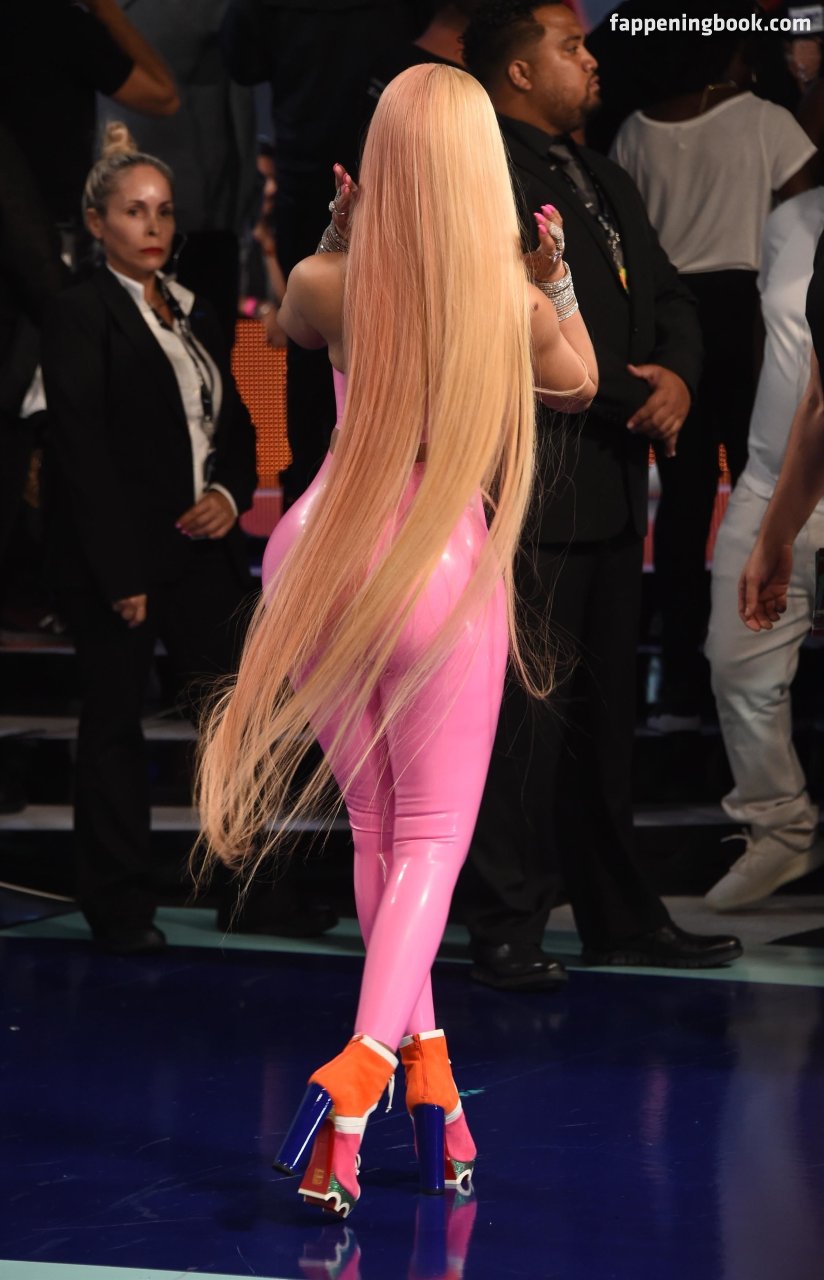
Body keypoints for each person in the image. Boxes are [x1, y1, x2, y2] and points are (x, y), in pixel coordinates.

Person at [197, 63, 597, 1217]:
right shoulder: (509, 304)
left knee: (380, 833)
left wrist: (338, 231)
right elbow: (576, 385)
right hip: (433, 558)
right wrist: (554, 277)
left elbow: (289, 321)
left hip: (313, 550)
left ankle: (433, 1085)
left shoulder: (326, 280)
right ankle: (360, 1073)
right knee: (422, 837)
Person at [458, 0, 742, 990]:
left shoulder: (604, 171)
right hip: (533, 485)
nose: (590, 61)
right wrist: (638, 394)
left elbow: (670, 293)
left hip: (615, 484)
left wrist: (680, 379)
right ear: (518, 71)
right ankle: (505, 923)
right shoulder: (478, 168)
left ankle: (619, 916)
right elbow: (503, 322)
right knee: (522, 727)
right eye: (570, 46)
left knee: (602, 726)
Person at [41, 124, 258, 955]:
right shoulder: (79, 312)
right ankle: (120, 905)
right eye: (134, 211)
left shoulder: (193, 308)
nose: (153, 225)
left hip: (202, 549)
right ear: (98, 224)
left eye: (163, 210)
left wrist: (228, 493)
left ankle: (248, 890)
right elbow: (80, 449)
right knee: (113, 728)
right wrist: (117, 570)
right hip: (120, 556)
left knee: (236, 716)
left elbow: (232, 424)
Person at [611, 2, 816, 729]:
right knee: (765, 488)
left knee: (684, 502)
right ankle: (764, 657)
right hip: (748, 319)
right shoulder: (765, 118)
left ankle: (679, 673)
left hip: (670, 325)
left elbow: (624, 236)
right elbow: (809, 220)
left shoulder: (635, 128)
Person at [704, 187, 824, 911]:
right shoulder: (790, 221)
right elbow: (798, 373)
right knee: (736, 661)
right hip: (772, 478)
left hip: (798, 480)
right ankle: (780, 826)